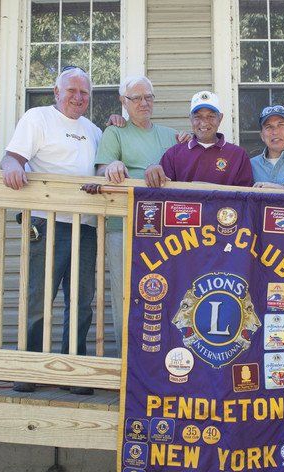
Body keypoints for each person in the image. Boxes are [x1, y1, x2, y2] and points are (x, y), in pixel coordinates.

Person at [0, 66, 107, 395]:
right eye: (72, 90)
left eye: (84, 92)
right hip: (47, 222)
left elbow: (102, 169)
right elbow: (11, 158)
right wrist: (13, 167)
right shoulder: (38, 118)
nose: (78, 97)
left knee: (81, 301)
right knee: (38, 299)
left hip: (86, 226)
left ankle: (71, 370)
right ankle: (30, 367)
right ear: (56, 92)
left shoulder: (94, 131)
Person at [92, 76, 183, 356]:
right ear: (123, 102)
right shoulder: (115, 134)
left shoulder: (172, 136)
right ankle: (128, 365)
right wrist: (113, 166)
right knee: (127, 296)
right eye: (136, 98)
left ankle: (167, 362)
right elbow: (100, 171)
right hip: (125, 227)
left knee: (170, 295)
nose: (144, 103)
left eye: (149, 97)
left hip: (169, 231)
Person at [144, 91, 253, 187]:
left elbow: (245, 197)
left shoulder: (238, 155)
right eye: (197, 116)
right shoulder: (174, 154)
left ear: (220, 118)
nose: (204, 122)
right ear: (190, 118)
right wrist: (152, 168)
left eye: (211, 116)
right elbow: (162, 192)